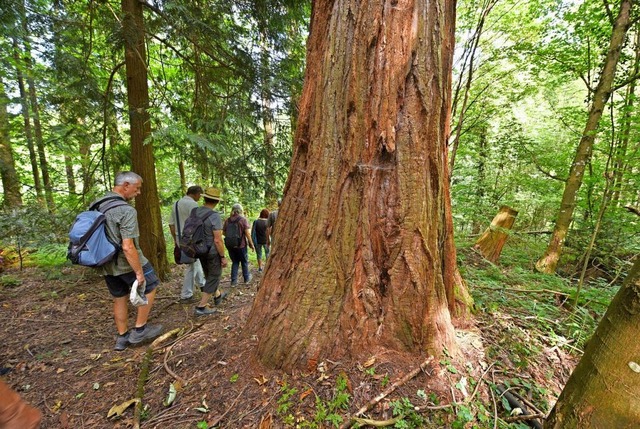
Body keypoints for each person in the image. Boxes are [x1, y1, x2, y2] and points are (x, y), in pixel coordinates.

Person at [94, 171, 162, 351]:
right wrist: (139, 272)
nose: (138, 192)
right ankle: (140, 329)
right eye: (137, 188)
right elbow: (128, 246)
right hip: (127, 262)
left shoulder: (96, 205)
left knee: (119, 297)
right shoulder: (126, 210)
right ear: (125, 185)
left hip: (105, 262)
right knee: (151, 285)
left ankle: (122, 337)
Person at [192, 187, 229, 316]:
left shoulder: (195, 211)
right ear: (216, 202)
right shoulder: (214, 216)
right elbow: (218, 240)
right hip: (212, 251)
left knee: (208, 274)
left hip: (199, 250)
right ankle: (201, 307)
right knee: (214, 276)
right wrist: (223, 256)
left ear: (204, 198)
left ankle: (218, 295)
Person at [169, 185, 205, 302]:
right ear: (196, 194)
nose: (200, 198)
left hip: (180, 239)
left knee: (195, 262)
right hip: (191, 238)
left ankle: (203, 284)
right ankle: (186, 295)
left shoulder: (176, 204)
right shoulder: (193, 205)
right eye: (200, 195)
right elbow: (198, 223)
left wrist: (176, 240)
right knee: (191, 265)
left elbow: (171, 224)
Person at [223, 203, 255, 286]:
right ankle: (246, 279)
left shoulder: (227, 220)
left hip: (230, 246)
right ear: (241, 210)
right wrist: (251, 244)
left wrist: (231, 239)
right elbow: (247, 233)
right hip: (241, 245)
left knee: (235, 262)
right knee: (244, 262)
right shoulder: (243, 220)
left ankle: (233, 282)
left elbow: (223, 232)